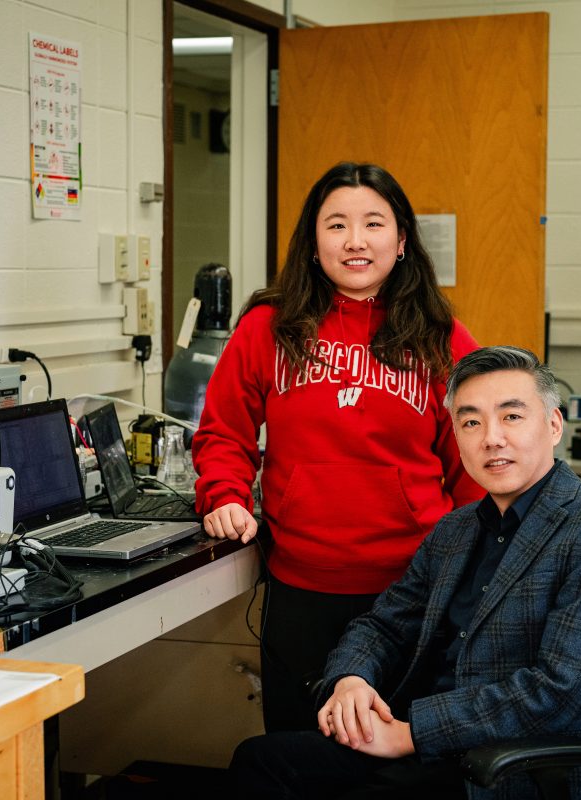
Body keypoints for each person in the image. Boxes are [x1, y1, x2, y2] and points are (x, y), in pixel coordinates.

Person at [230, 346, 581, 799]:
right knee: (261, 760)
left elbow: (557, 690)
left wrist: (411, 735)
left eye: (511, 417)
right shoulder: (457, 528)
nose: (491, 438)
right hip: (427, 745)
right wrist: (351, 679)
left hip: (511, 764)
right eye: (471, 422)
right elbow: (385, 624)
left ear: (552, 425)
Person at [192, 162, 483, 732]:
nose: (355, 241)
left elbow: (474, 463)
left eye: (374, 223)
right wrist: (223, 494)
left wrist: (470, 567)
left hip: (412, 592)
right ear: (313, 240)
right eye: (337, 225)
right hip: (302, 589)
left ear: (401, 241)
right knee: (301, 757)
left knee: (394, 766)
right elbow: (224, 432)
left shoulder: (440, 336)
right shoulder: (267, 328)